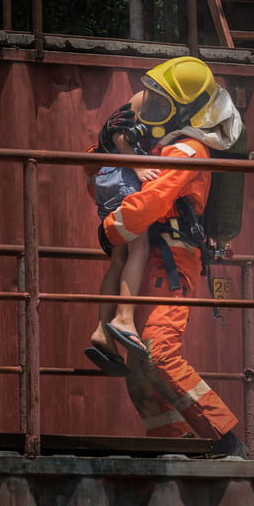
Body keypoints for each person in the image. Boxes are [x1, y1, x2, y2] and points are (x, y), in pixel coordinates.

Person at [96, 56, 248, 457]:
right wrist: (110, 138)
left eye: (163, 106)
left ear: (187, 110)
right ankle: (173, 446)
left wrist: (111, 229)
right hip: (147, 257)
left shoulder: (190, 149)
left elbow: (151, 201)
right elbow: (108, 179)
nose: (154, 112)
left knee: (159, 353)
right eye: (154, 103)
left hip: (173, 260)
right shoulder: (161, 146)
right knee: (139, 371)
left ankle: (228, 443)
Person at [84, 92, 162, 378]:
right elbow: (120, 132)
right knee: (139, 248)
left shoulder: (149, 95)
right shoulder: (149, 97)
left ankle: (103, 330)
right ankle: (124, 319)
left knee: (118, 258)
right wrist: (138, 165)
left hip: (107, 176)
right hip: (124, 176)